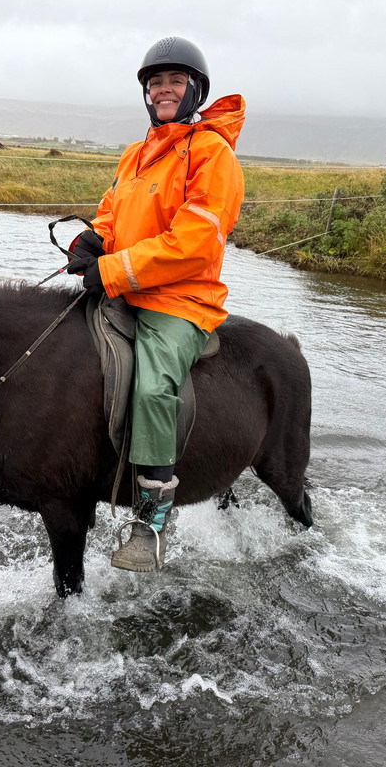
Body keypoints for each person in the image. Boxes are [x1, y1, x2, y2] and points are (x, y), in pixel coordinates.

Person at [67, 36, 245, 572]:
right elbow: (111, 213)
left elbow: (194, 244)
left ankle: (151, 520)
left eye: (174, 81)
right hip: (125, 287)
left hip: (181, 301)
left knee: (150, 385)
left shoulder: (213, 155)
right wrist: (90, 242)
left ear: (195, 90)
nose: (163, 90)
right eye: (155, 83)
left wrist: (113, 270)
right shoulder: (136, 153)